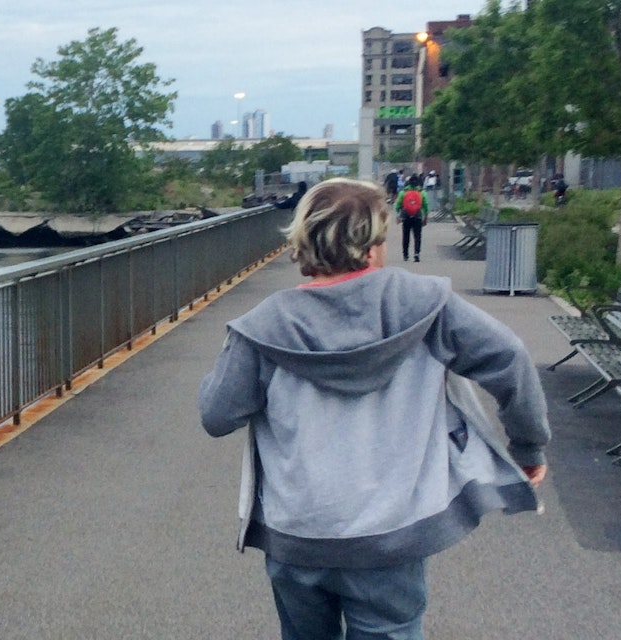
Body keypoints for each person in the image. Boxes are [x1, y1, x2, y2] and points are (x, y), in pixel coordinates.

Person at [197, 177, 550, 640]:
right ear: (372, 246)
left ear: (304, 239)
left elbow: (216, 415)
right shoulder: (427, 306)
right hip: (390, 538)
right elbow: (509, 357)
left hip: (298, 538)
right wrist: (528, 447)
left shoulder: (262, 327)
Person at [395, 181, 428, 262]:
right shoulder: (422, 193)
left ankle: (405, 254)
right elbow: (426, 205)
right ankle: (416, 254)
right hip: (418, 216)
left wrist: (398, 216)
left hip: (406, 217)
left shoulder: (403, 193)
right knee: (417, 236)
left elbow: (397, 205)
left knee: (406, 235)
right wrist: (425, 217)